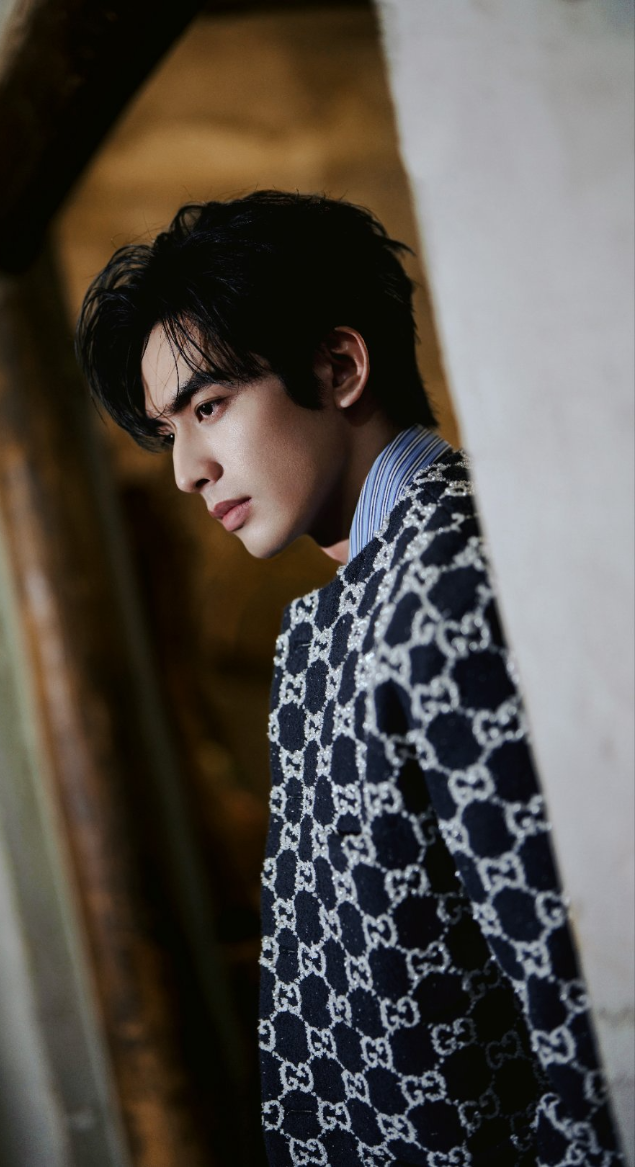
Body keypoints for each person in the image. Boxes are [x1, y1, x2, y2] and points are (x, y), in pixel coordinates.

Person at [75, 192, 623, 1167]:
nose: (187, 469)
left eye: (208, 407)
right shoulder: (350, 600)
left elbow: (583, 999)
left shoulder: (455, 575)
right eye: (170, 430)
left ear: (338, 367)